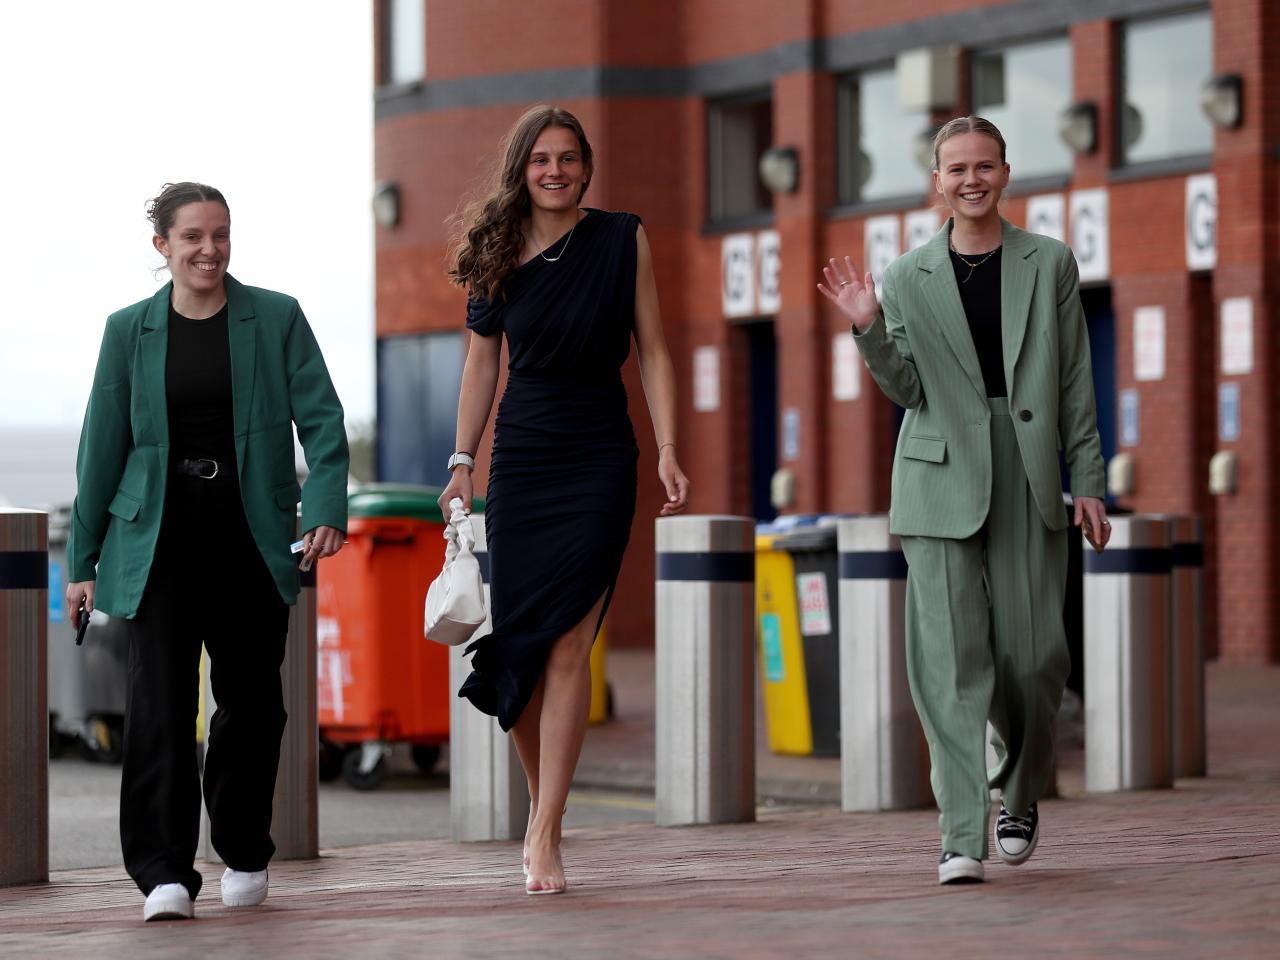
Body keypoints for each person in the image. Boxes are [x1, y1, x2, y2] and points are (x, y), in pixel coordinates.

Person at [818, 117, 1108, 885]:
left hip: (1028, 473)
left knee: (1036, 658)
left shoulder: (1049, 263)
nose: (971, 179)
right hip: (937, 477)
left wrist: (1089, 478)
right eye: (956, 169)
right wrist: (870, 328)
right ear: (937, 183)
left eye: (984, 166)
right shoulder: (908, 276)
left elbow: (1075, 377)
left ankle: (1019, 792)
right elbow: (907, 388)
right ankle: (959, 833)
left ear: (1006, 174)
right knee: (949, 666)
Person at [65, 182, 349, 921]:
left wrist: (322, 508)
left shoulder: (277, 318)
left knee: (252, 706)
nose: (210, 249)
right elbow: (102, 447)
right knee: (158, 704)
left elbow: (322, 422)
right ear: (162, 246)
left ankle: (243, 843)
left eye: (220, 234)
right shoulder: (128, 330)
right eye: (192, 236)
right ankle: (163, 871)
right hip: (153, 541)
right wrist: (82, 563)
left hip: (249, 537)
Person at [439, 105, 689, 896]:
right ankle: (539, 806)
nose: (556, 170)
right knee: (519, 642)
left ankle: (546, 828)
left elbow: (652, 347)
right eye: (542, 159)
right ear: (522, 168)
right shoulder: (498, 252)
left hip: (599, 456)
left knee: (569, 645)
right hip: (524, 455)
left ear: (587, 165)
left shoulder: (623, 237)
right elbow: (483, 365)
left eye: (569, 158)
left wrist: (670, 448)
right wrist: (461, 460)